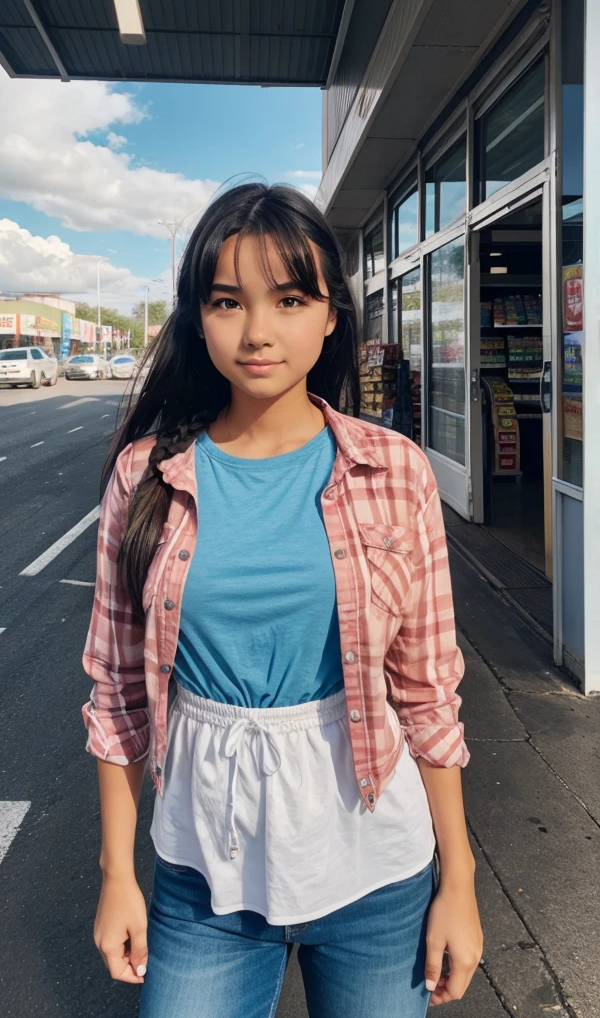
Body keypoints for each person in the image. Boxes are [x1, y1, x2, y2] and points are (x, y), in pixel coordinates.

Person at [81, 182, 483, 1018]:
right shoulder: (145, 475)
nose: (258, 331)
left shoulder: (393, 469)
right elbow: (117, 695)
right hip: (202, 878)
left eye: (290, 299)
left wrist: (461, 882)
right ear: (198, 317)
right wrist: (120, 876)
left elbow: (426, 692)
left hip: (377, 867)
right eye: (228, 301)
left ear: (331, 314)